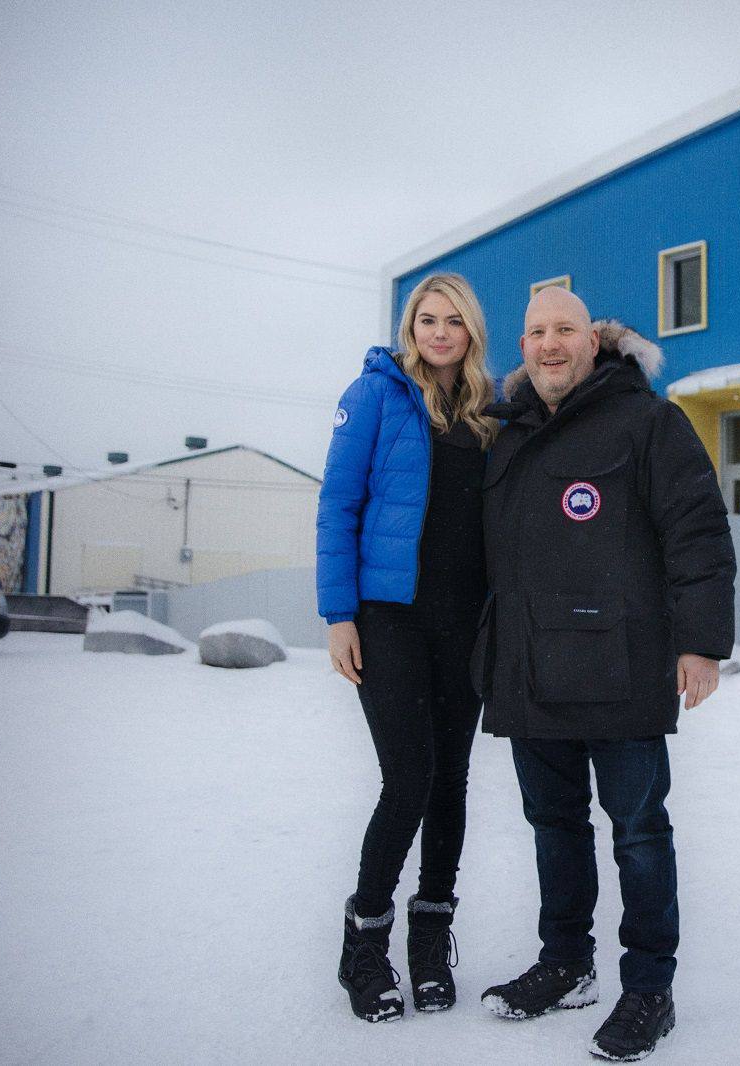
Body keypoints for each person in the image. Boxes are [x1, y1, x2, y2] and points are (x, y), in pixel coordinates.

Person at [473, 287, 736, 1061]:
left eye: (565, 330)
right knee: (554, 827)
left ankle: (649, 987)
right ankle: (567, 964)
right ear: (523, 347)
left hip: (622, 665)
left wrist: (701, 643)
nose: (549, 344)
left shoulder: (649, 422)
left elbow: (697, 532)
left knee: (639, 832)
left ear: (595, 341)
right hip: (531, 669)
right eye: (536, 332)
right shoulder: (508, 436)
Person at [316, 272, 496, 1022]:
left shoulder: (490, 410)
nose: (440, 332)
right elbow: (338, 503)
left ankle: (428, 941)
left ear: (471, 330)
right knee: (409, 777)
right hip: (389, 617)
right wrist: (339, 614)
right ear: (410, 328)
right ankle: (364, 943)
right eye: (427, 319)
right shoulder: (375, 396)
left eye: (453, 320)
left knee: (450, 780)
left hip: (465, 621)